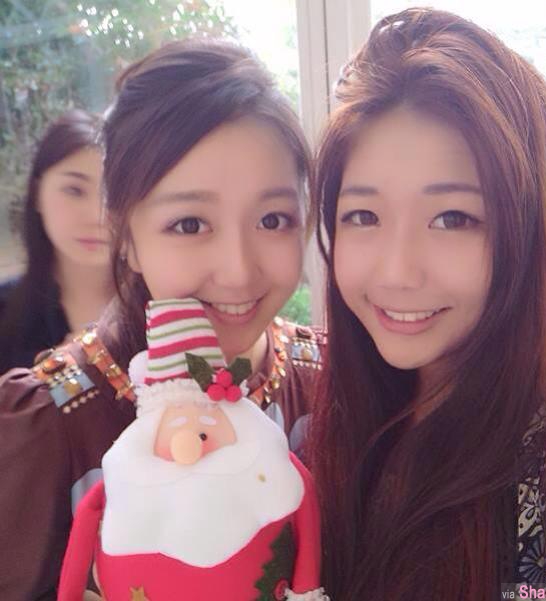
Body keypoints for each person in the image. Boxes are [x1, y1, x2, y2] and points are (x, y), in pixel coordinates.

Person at [0, 39, 324, 601]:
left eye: (273, 219)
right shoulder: (51, 428)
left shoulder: (327, 381)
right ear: (124, 236)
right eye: (190, 224)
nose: (238, 271)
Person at [309, 8, 546, 601]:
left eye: (452, 219)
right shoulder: (332, 421)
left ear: (526, 235)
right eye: (363, 215)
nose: (397, 272)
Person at [0, 109, 112, 374]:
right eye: (74, 190)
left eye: (114, 194)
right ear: (38, 193)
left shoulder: (167, 308)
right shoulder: (5, 311)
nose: (96, 216)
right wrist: (45, 381)